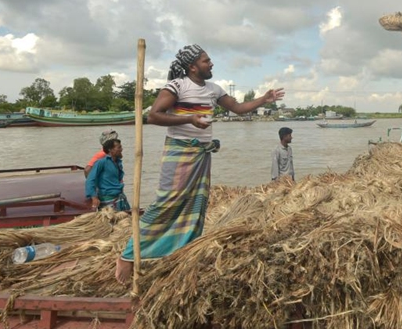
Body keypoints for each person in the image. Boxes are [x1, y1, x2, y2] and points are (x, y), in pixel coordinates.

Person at [115, 44, 285, 284]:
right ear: (192, 66)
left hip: (202, 155)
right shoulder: (177, 86)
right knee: (167, 202)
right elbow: (153, 115)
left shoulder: (213, 89)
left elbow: (237, 108)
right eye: (206, 61)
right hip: (179, 153)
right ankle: (128, 255)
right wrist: (190, 119)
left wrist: (264, 99)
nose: (211, 64)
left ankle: (180, 252)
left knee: (195, 205)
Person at [84, 138, 130, 211]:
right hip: (108, 199)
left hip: (119, 197)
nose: (121, 149)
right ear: (110, 149)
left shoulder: (118, 163)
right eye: (119, 147)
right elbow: (90, 180)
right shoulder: (101, 162)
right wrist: (94, 197)